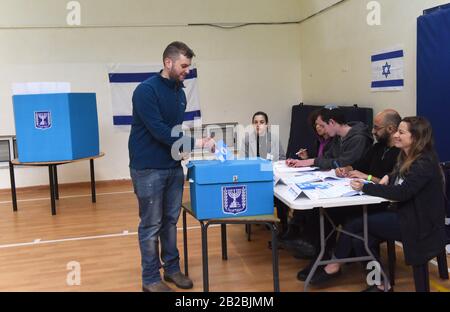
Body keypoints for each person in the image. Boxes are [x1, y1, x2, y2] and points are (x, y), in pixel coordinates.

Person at [315, 116, 447, 292]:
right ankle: (380, 284)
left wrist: (366, 187)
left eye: (401, 132)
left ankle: (334, 265)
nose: (396, 136)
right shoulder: (407, 156)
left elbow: (402, 192)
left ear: (415, 137)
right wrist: (389, 177)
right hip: (407, 215)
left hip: (418, 223)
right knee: (360, 238)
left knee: (354, 224)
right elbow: (399, 177)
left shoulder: (424, 162)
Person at [129, 41, 215, 292]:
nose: (187, 70)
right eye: (184, 65)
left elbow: (175, 130)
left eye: (189, 66)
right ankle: (151, 279)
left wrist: (186, 150)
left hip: (173, 166)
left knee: (170, 221)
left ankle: (172, 269)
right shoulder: (145, 91)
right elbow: (160, 132)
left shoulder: (179, 92)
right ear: (168, 63)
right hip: (148, 168)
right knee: (151, 224)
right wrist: (197, 142)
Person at [297, 109, 402, 282]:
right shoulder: (377, 147)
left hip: (381, 202)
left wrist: (367, 177)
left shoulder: (399, 154)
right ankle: (323, 256)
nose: (373, 131)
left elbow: (390, 183)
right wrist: (347, 169)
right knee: (323, 212)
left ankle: (334, 264)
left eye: (377, 128)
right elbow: (359, 165)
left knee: (351, 222)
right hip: (365, 195)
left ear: (390, 129)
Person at [242, 111, 289, 235]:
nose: (258, 125)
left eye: (262, 122)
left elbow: (282, 158)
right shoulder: (247, 139)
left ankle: (284, 226)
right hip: (254, 178)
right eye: (255, 122)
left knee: (282, 195)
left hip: (271, 176)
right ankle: (263, 218)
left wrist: (274, 165)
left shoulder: (274, 139)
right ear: (252, 124)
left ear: (267, 124)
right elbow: (243, 161)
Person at [286, 107, 373, 170]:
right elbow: (327, 157)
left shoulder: (359, 138)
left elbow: (342, 163)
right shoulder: (337, 136)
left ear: (331, 122)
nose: (319, 129)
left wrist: (311, 162)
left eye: (322, 125)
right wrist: (304, 162)